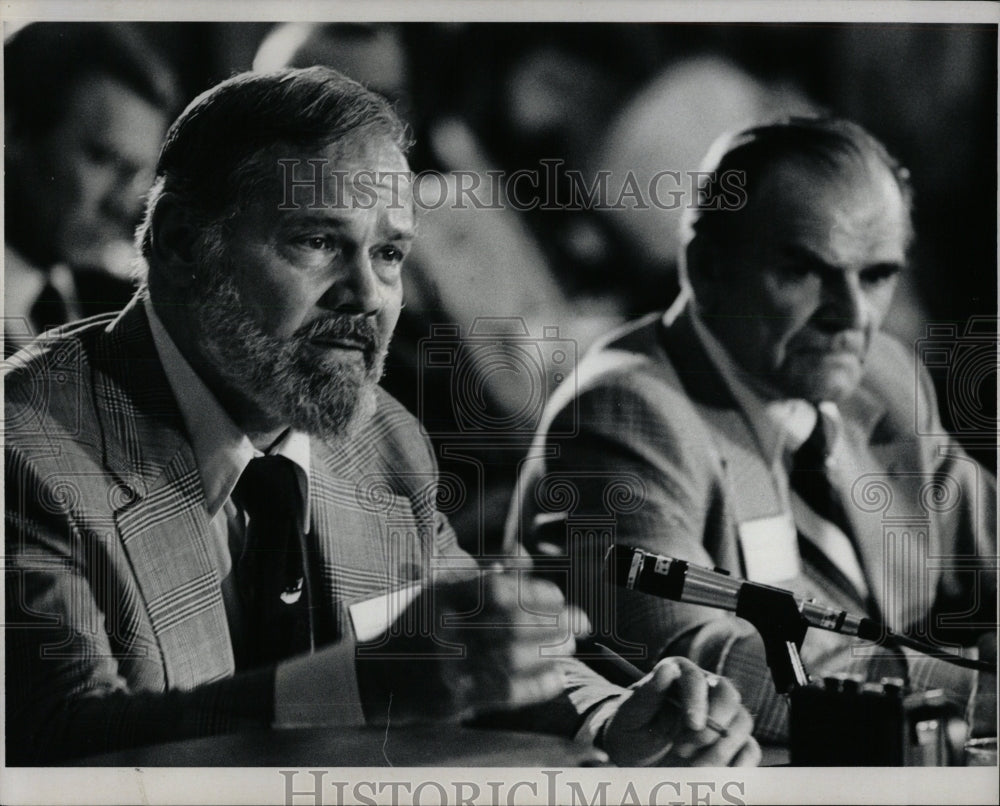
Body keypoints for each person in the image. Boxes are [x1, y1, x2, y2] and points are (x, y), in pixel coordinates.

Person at [4, 66, 759, 767]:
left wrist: (619, 715)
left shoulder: (386, 442)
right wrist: (363, 683)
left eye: (391, 255)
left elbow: (473, 658)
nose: (366, 295)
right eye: (319, 242)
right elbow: (58, 740)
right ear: (180, 244)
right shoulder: (26, 449)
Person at [508, 117, 997, 743]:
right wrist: (975, 694)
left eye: (876, 275)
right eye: (804, 271)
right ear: (706, 269)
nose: (850, 315)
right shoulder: (623, 413)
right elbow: (712, 669)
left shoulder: (881, 377)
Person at [3, 22, 177, 356]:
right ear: (13, 130)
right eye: (104, 159)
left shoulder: (127, 312)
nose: (124, 203)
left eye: (138, 174)